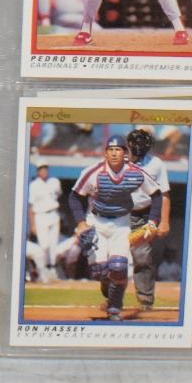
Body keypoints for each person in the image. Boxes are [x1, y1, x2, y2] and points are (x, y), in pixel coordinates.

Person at [70, 135, 165, 321]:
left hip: (121, 223)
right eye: (111, 150)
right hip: (96, 222)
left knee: (119, 266)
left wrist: (153, 221)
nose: (114, 153)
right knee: (99, 271)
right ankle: (108, 285)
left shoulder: (135, 173)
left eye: (118, 149)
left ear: (125, 153)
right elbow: (74, 197)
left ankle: (114, 307)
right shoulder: (93, 172)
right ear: (105, 153)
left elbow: (157, 195)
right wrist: (81, 222)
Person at [125, 129, 174, 312]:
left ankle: (145, 300)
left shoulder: (156, 163)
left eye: (141, 148)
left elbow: (165, 194)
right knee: (113, 257)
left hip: (144, 215)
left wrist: (165, 221)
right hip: (119, 214)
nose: (137, 152)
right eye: (134, 147)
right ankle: (111, 297)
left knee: (142, 257)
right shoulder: (118, 160)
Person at [28, 165, 64, 282]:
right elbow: (31, 206)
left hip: (53, 213)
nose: (44, 171)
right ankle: (43, 270)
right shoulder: (34, 185)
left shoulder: (55, 181)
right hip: (40, 215)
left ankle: (52, 269)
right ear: (38, 171)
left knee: (54, 244)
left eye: (45, 169)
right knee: (44, 245)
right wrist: (32, 224)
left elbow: (59, 195)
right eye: (41, 169)